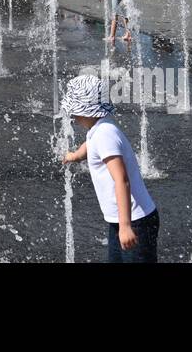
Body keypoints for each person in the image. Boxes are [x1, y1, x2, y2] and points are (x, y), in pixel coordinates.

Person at [60, 74, 159, 263]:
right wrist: (75, 156)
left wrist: (125, 226)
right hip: (121, 219)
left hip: (135, 221)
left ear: (85, 110)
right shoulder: (99, 128)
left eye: (74, 111)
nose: (72, 116)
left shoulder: (104, 135)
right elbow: (89, 144)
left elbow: (121, 180)